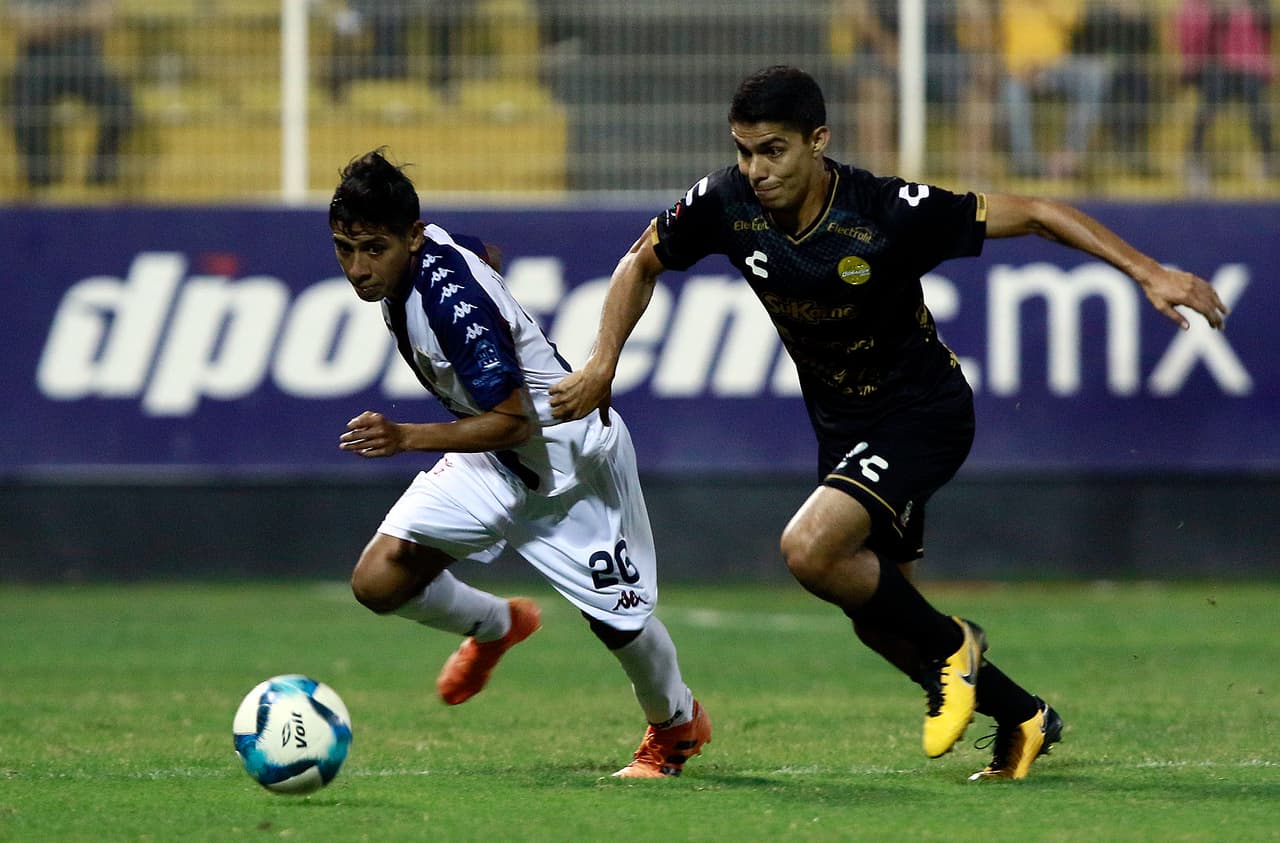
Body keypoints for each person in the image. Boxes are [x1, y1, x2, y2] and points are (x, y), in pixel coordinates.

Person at [549, 65, 1228, 780]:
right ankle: (1025, 716)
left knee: (809, 549)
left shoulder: (887, 210)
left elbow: (1036, 211)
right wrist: (602, 363)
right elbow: (639, 261)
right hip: (844, 428)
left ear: (819, 141)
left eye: (772, 150)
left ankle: (958, 646)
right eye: (744, 150)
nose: (755, 169)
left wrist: (1147, 270)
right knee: (881, 618)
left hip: (922, 413)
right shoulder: (725, 201)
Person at [328, 149, 711, 778]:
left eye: (373, 249)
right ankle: (497, 625)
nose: (358, 268)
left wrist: (406, 437)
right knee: (380, 580)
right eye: (345, 248)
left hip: (569, 466)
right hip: (495, 462)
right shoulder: (432, 254)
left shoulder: (450, 308)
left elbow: (516, 420)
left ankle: (676, 726)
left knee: (619, 624)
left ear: (413, 238)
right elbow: (487, 256)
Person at [6, 0, 135, 189]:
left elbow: (104, 18)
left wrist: (47, 25)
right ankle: (42, 187)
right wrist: (80, 21)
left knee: (122, 107)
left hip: (84, 60)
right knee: (22, 112)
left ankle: (99, 182)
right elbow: (24, 29)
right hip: (36, 62)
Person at [997, 0, 1109, 179]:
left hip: (1056, 66)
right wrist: (1018, 67)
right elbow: (995, 33)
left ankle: (1069, 157)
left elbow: (1072, 18)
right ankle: (1026, 165)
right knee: (1012, 90)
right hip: (1017, 70)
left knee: (1095, 74)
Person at [1175, 0, 1275, 191]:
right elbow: (1193, 36)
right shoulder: (1199, 6)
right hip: (1213, 66)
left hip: (1248, 67)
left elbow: (1264, 34)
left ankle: (1268, 156)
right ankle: (1195, 158)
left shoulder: (1257, 6)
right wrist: (1218, 13)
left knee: (1253, 93)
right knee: (1214, 91)